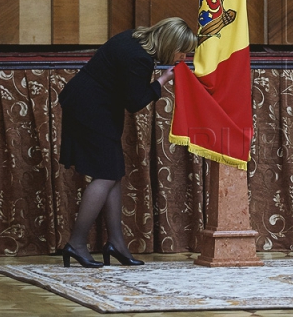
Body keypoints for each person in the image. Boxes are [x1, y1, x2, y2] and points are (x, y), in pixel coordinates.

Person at [59, 17, 197, 268]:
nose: (182, 59)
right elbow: (134, 103)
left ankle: (116, 243)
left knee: (113, 172)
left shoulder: (134, 38)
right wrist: (163, 80)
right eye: (182, 52)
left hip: (91, 105)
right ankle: (76, 243)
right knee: (105, 174)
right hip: (90, 109)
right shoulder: (140, 59)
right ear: (170, 43)